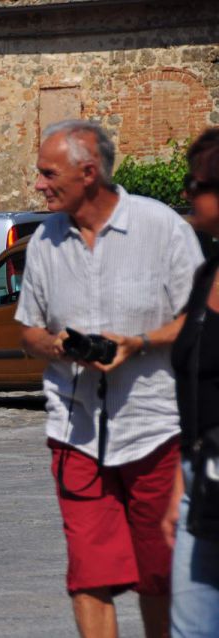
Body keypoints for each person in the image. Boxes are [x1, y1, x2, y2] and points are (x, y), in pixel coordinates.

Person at [15, 119, 203, 638]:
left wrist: (138, 344)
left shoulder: (162, 227)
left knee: (161, 575)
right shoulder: (42, 244)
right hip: (76, 433)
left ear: (89, 173)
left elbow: (199, 319)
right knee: (89, 577)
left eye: (48, 173)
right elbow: (27, 330)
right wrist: (55, 345)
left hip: (156, 427)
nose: (39, 184)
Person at [162, 127, 219, 637]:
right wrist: (180, 489)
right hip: (203, 483)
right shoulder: (207, 274)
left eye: (195, 184)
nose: (186, 194)